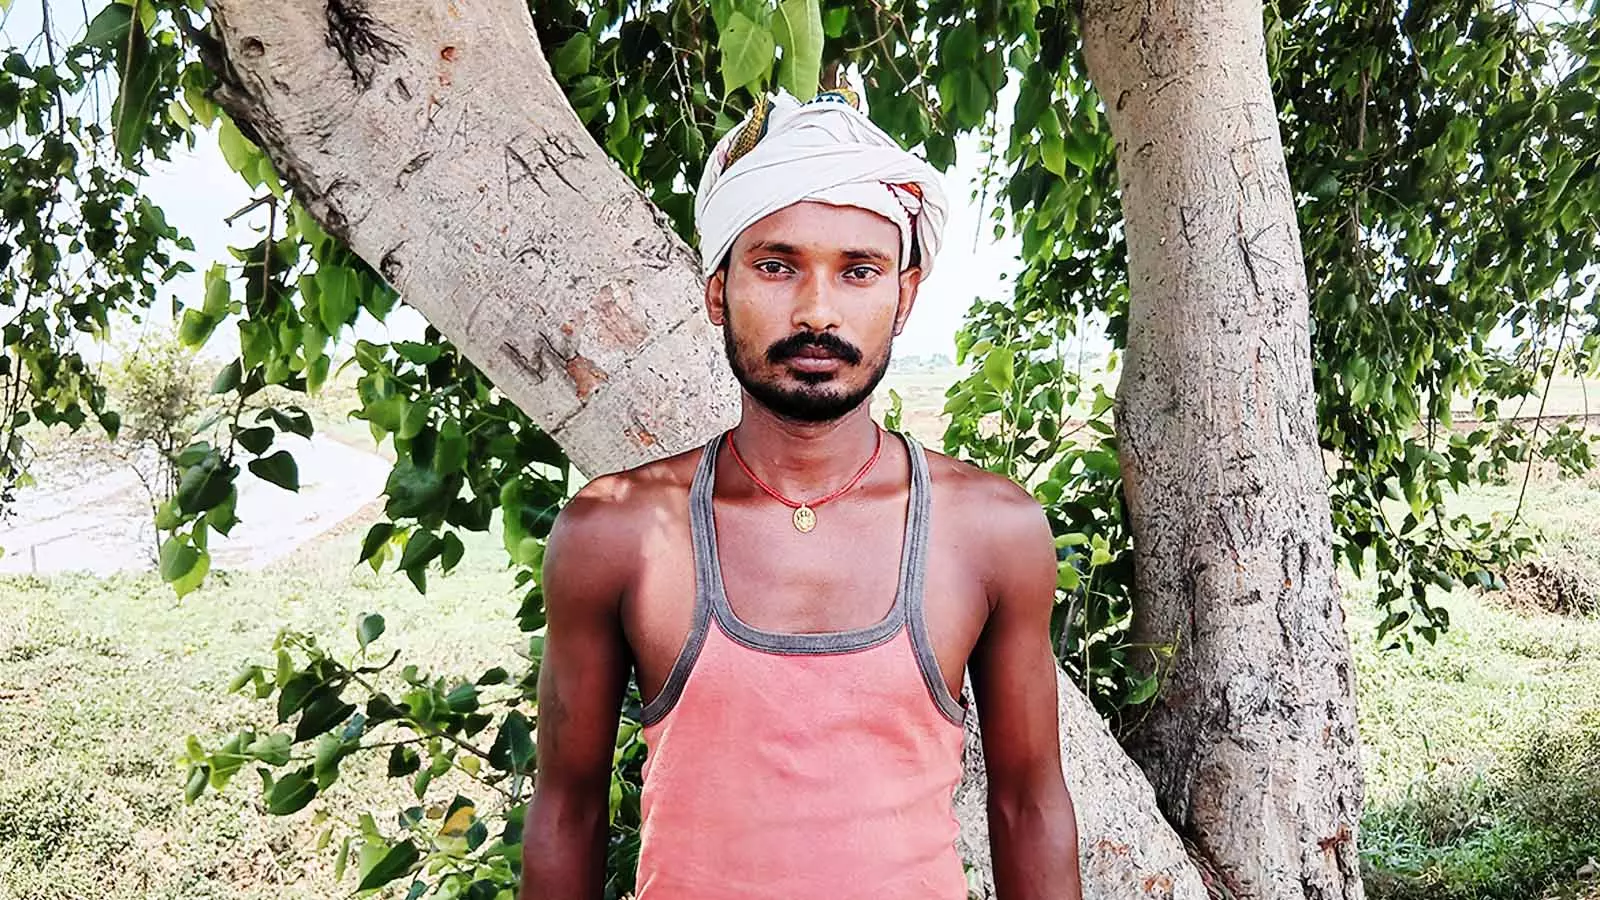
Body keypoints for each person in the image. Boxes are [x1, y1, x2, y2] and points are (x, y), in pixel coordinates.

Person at [521, 88, 1082, 900]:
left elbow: (1029, 803)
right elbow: (565, 811)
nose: (818, 311)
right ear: (718, 289)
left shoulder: (992, 530)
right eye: (777, 266)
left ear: (904, 296)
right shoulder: (617, 532)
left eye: (859, 272)